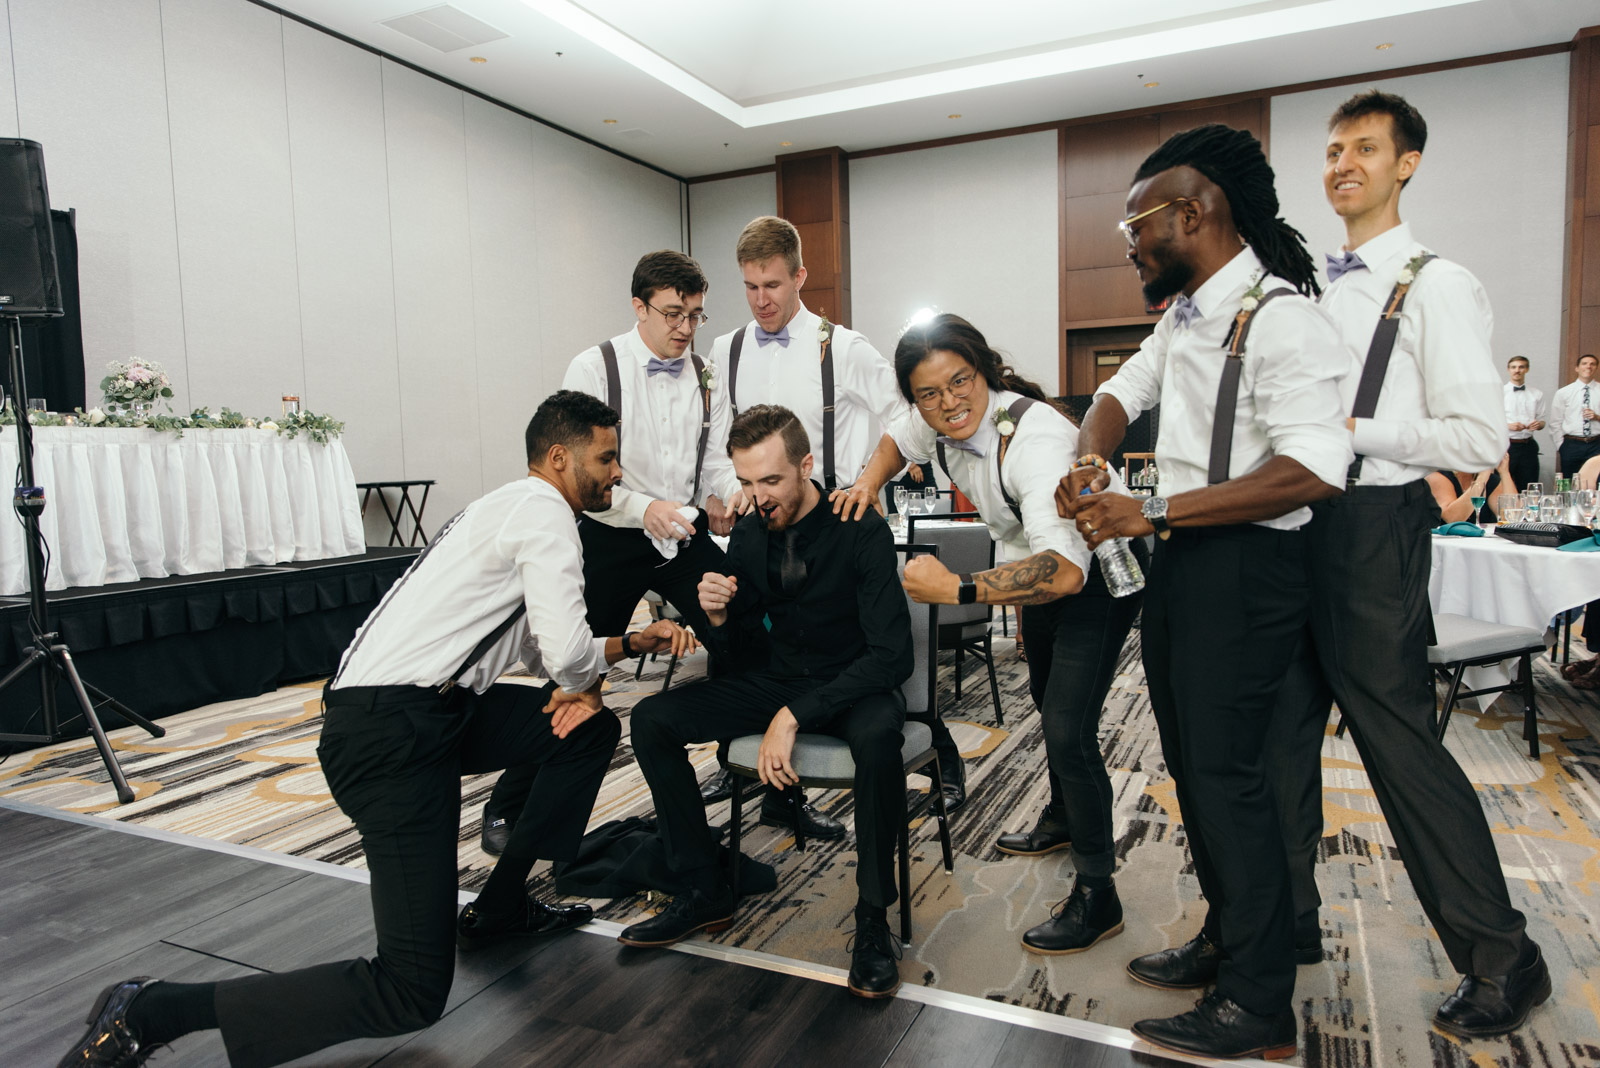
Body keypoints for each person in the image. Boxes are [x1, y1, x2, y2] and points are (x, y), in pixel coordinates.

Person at [57, 390, 698, 1068]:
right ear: (561, 456)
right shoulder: (546, 515)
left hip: (425, 712)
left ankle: (503, 905)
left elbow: (543, 653)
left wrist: (630, 646)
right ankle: (150, 1009)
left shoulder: (501, 506)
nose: (617, 472)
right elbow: (566, 658)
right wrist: (580, 681)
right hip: (393, 736)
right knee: (411, 990)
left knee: (586, 733)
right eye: (607, 457)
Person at [1058, 124, 1353, 1059]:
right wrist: (1089, 453)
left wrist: (1155, 512)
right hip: (1185, 562)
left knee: (1230, 783)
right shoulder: (1184, 314)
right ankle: (1231, 939)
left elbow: (1316, 468)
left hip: (1250, 569)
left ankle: (1258, 1003)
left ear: (1194, 212)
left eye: (1137, 223)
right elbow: (1121, 391)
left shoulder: (1282, 318)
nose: (1131, 243)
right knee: (1192, 770)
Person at [1268, 89, 1548, 1043]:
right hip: (1296, 525)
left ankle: (1505, 956)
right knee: (1277, 735)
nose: (1343, 163)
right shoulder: (1314, 291)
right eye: (1334, 149)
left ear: (1407, 164)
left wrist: (1356, 429)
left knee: (1397, 750)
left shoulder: (1437, 283)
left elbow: (1477, 431)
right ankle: (1284, 924)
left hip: (1375, 527)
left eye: (1365, 149)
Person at [834, 312, 1144, 957]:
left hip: (1092, 574)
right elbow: (897, 438)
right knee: (1041, 695)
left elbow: (1062, 574)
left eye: (960, 382)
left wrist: (960, 590)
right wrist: (867, 481)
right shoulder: (933, 419)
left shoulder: (1034, 442)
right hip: (1036, 569)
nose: (948, 403)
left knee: (1068, 724)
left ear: (986, 371)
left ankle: (1098, 891)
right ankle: (1062, 815)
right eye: (929, 393)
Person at [616, 404, 914, 999]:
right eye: (747, 482)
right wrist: (719, 614)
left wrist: (794, 715)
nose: (758, 497)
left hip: (855, 685)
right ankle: (704, 887)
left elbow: (892, 657)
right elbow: (743, 643)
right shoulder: (752, 530)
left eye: (771, 481)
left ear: (806, 466)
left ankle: (874, 917)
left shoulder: (859, 525)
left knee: (880, 739)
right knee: (652, 718)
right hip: (778, 680)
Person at [477, 251, 736, 856]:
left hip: (682, 532)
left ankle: (751, 768)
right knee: (577, 671)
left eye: (696, 316)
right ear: (639, 307)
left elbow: (716, 455)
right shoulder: (594, 366)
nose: (685, 328)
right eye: (673, 314)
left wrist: (722, 492)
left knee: (740, 634)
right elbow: (584, 473)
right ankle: (510, 807)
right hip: (609, 532)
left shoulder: (706, 373)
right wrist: (641, 507)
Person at [698, 216, 930, 821]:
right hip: (763, 527)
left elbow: (907, 420)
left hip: (832, 528)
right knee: (743, 639)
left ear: (800, 276)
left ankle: (933, 751)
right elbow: (718, 440)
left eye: (772, 284)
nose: (761, 300)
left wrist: (868, 483)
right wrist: (735, 490)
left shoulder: (844, 347)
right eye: (749, 287)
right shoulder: (727, 349)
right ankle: (759, 777)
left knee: (843, 647)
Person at [1552, 353, 1600, 478]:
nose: (1588, 367)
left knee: (1596, 481)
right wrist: (1561, 446)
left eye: (1592, 364)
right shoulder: (1563, 393)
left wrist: (1597, 417)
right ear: (1577, 368)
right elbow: (1555, 422)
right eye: (1584, 364)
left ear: (1596, 368)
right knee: (1570, 482)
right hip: (1571, 444)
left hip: (1597, 443)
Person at [1426, 456, 1512, 524]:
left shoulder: (1490, 480)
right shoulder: (1438, 476)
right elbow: (1453, 519)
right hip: (1445, 543)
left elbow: (1511, 517)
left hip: (1479, 543)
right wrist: (1484, 474)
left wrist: (1504, 472)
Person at [1504, 356, 1545, 490]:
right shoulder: (1499, 393)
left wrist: (1539, 425)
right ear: (1508, 370)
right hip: (1507, 446)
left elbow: (1542, 420)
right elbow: (1490, 421)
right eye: (1514, 367)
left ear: (1527, 369)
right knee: (1503, 486)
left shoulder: (1537, 394)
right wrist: (1508, 426)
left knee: (1529, 487)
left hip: (1528, 446)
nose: (1517, 370)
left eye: (1521, 367)